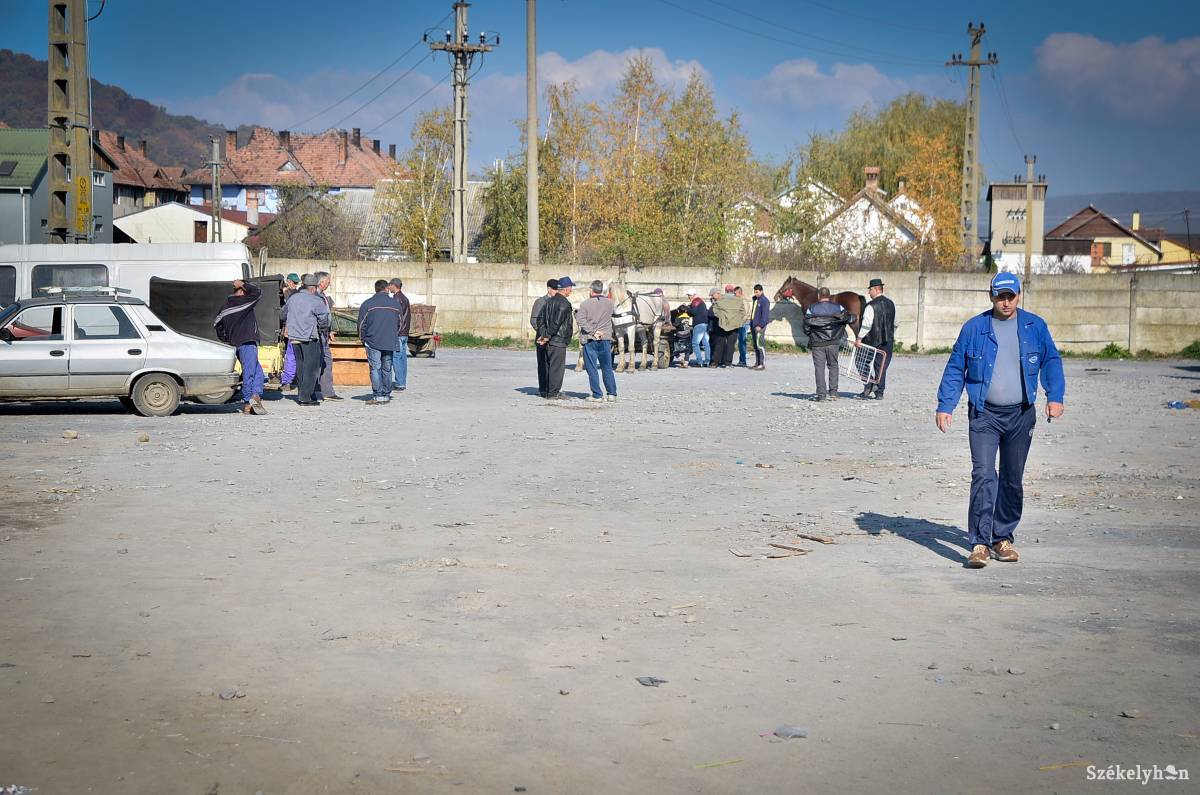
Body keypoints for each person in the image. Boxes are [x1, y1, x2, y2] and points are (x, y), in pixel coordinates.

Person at [936, 272, 1065, 569]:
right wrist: (946, 405)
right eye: (999, 296)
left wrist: (1055, 396)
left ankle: (1002, 537)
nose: (1005, 302)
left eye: (1011, 296)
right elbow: (956, 366)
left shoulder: (1035, 326)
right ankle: (980, 543)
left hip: (1021, 415)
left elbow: (1051, 360)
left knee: (1011, 478)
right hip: (984, 415)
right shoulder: (974, 328)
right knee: (983, 475)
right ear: (991, 296)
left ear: (1019, 295)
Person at [214, 278, 267, 415]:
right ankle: (248, 401)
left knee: (258, 372)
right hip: (247, 342)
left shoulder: (225, 306)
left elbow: (217, 325)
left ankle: (256, 396)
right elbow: (258, 292)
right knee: (250, 373)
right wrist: (242, 284)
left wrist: (226, 339)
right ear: (242, 292)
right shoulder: (245, 301)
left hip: (235, 344)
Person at [281, 274, 331, 406]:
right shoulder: (315, 300)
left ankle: (302, 393)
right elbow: (324, 317)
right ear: (313, 287)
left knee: (301, 366)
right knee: (311, 367)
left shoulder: (293, 298)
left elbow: (282, 314)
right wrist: (322, 328)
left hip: (294, 337)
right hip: (309, 338)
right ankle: (306, 397)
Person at [803, 287, 855, 400]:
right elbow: (847, 318)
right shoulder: (838, 307)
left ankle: (821, 395)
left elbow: (806, 325)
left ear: (818, 296)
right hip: (833, 342)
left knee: (819, 368)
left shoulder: (811, 308)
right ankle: (833, 392)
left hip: (817, 343)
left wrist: (810, 335)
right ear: (829, 296)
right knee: (833, 366)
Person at [358, 279, 402, 405]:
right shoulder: (395, 304)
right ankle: (386, 394)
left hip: (373, 341)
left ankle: (378, 395)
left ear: (375, 289)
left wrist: (363, 339)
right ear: (387, 288)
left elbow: (361, 325)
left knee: (375, 368)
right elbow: (400, 324)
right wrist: (394, 335)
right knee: (387, 369)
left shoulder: (367, 304)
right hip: (389, 341)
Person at [853, 277, 896, 400]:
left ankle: (869, 385)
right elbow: (896, 322)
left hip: (872, 341)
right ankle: (879, 392)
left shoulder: (870, 306)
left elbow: (867, 325)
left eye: (870, 289)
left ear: (876, 289)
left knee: (860, 361)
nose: (868, 292)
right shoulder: (891, 303)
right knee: (881, 366)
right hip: (888, 340)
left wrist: (859, 338)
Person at [576, 280, 618, 402]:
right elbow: (613, 315)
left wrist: (593, 331)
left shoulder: (585, 304)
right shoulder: (610, 303)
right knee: (607, 367)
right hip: (605, 339)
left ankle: (597, 395)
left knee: (592, 368)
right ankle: (612, 394)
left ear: (591, 290)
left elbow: (580, 320)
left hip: (590, 340)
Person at [536, 276, 575, 399]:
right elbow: (557, 323)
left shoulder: (549, 301)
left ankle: (547, 391)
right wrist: (547, 335)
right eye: (570, 288)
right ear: (566, 289)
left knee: (548, 366)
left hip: (549, 340)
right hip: (557, 340)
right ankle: (553, 393)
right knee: (557, 368)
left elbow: (539, 320)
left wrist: (543, 334)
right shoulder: (564, 303)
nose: (571, 291)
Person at [315, 271, 342, 401]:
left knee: (325, 361)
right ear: (321, 282)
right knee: (319, 362)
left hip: (324, 333)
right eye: (328, 282)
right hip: (318, 333)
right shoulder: (315, 296)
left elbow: (326, 315)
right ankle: (320, 391)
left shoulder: (323, 295)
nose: (329, 284)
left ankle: (326, 391)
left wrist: (329, 330)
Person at [530, 279, 559, 397]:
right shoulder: (540, 302)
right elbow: (534, 320)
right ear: (549, 289)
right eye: (555, 289)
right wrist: (543, 334)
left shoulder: (558, 301)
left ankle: (552, 390)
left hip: (554, 339)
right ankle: (543, 389)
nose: (557, 292)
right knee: (543, 364)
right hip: (542, 339)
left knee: (553, 365)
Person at [712, 284, 748, 368]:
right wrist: (738, 320)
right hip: (735, 325)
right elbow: (743, 312)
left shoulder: (721, 299)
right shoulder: (740, 300)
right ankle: (728, 363)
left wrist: (721, 318)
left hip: (722, 324)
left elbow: (715, 311)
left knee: (720, 343)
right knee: (731, 345)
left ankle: (716, 362)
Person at [387, 278, 411, 392]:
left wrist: (393, 331)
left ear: (394, 286)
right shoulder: (404, 298)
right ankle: (402, 381)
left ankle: (400, 383)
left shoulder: (396, 299)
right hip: (404, 332)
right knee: (402, 358)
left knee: (396, 358)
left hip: (399, 333)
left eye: (390, 286)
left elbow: (396, 317)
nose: (388, 288)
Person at [279, 273, 302, 391]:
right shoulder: (299, 295)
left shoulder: (291, 295)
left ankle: (287, 381)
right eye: (293, 282)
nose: (294, 285)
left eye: (295, 283)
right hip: (300, 330)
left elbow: (283, 314)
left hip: (292, 329)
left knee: (291, 356)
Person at [685, 289, 711, 367]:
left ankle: (699, 362)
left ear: (693, 295)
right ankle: (707, 361)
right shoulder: (700, 301)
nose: (688, 297)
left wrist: (686, 308)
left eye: (689, 295)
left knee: (695, 343)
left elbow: (693, 312)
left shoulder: (696, 301)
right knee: (706, 343)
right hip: (705, 324)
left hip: (699, 325)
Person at [750, 283, 771, 370]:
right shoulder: (756, 299)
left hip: (759, 326)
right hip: (753, 325)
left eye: (757, 292)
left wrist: (760, 325)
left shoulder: (764, 301)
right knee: (755, 345)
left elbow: (765, 315)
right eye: (755, 292)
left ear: (761, 291)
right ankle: (757, 362)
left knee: (760, 344)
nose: (756, 294)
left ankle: (762, 364)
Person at [735, 286, 751, 366]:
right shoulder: (740, 300)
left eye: (735, 293)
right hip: (742, 323)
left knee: (742, 342)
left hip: (743, 323)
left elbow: (745, 313)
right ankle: (742, 359)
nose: (735, 295)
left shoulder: (743, 301)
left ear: (740, 293)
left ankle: (743, 361)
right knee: (741, 342)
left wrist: (740, 322)